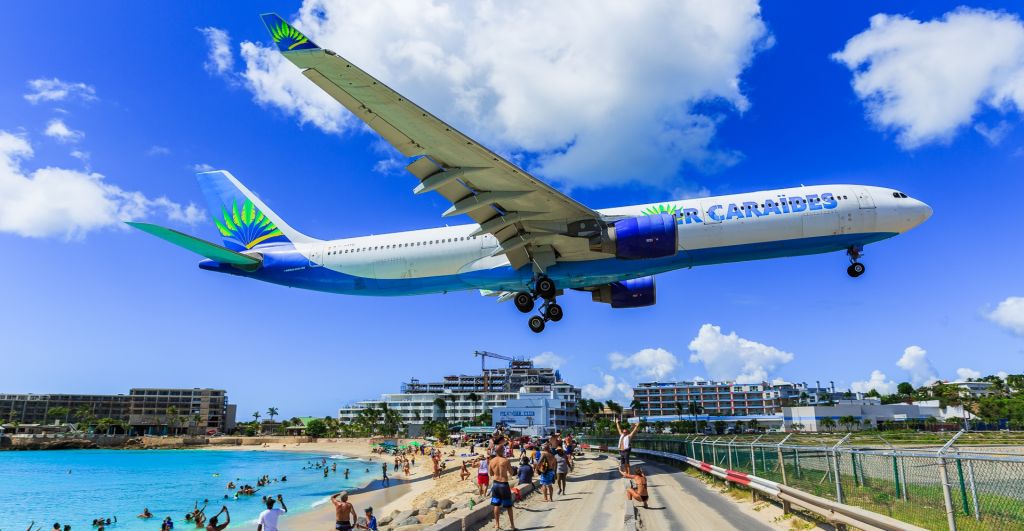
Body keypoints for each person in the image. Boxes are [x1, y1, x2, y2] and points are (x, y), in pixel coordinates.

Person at [488, 444, 516, 531]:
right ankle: (512, 525)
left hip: (496, 484)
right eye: (503, 450)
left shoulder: (491, 461)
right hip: (504, 484)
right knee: (508, 506)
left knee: (496, 505)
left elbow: (491, 474)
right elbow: (511, 473)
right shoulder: (505, 460)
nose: (504, 451)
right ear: (501, 451)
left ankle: (497, 525)